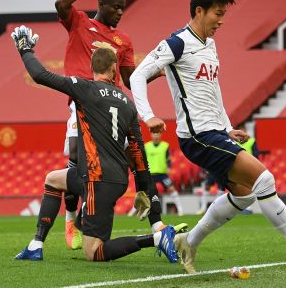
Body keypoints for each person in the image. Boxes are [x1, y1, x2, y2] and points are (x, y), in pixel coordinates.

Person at [129, 0, 286, 274]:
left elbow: (213, 91)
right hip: (196, 136)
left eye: (223, 13)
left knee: (244, 195)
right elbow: (138, 76)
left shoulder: (210, 45)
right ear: (199, 11)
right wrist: (148, 115)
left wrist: (227, 126)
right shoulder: (177, 43)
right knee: (264, 180)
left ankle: (189, 241)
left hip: (214, 133)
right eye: (217, 13)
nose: (221, 20)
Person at [11, 27, 178, 263]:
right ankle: (35, 244)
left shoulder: (84, 89)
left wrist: (25, 49)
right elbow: (139, 157)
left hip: (96, 180)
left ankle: (156, 240)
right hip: (112, 177)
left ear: (92, 69)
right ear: (114, 69)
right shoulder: (129, 105)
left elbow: (40, 75)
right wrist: (147, 196)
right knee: (53, 179)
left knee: (94, 252)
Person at [55, 0, 181, 249]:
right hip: (84, 102)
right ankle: (71, 220)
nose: (120, 12)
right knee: (76, 154)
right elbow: (61, 4)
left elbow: (128, 78)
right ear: (101, 5)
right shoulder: (79, 22)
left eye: (123, 8)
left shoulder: (123, 40)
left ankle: (157, 224)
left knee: (136, 158)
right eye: (115, 7)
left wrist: (160, 71)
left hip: (113, 105)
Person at [145, 132, 185, 216]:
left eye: (157, 134)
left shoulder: (165, 146)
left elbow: (168, 159)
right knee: (144, 193)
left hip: (162, 174)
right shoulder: (147, 146)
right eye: (154, 134)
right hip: (150, 174)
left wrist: (169, 167)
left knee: (172, 189)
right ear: (151, 135)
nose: (155, 136)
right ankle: (133, 212)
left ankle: (180, 210)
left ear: (160, 135)